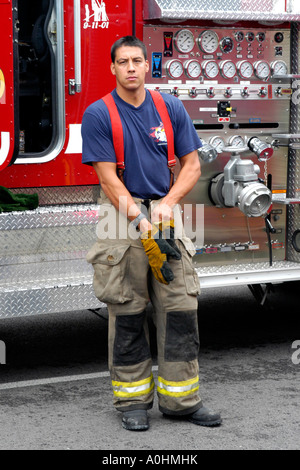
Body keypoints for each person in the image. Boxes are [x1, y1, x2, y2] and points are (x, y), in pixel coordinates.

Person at [81, 36, 221, 431]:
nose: (130, 67)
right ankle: (132, 402)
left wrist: (167, 205)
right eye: (122, 61)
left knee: (180, 308)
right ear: (112, 68)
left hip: (168, 212)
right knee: (127, 311)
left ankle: (182, 402)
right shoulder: (99, 114)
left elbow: (192, 165)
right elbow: (108, 179)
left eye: (137, 61)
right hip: (121, 217)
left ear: (147, 66)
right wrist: (142, 222)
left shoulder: (169, 107)